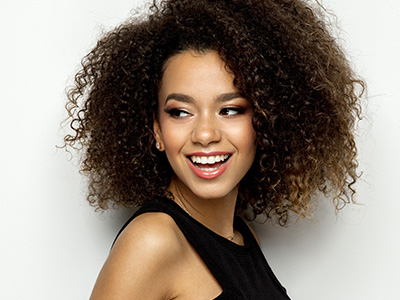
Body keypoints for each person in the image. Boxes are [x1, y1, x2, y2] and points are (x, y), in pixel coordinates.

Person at [64, 0, 364, 298]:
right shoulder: (153, 241)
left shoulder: (243, 237)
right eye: (180, 112)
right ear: (155, 129)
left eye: (230, 110)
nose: (205, 134)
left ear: (266, 121)